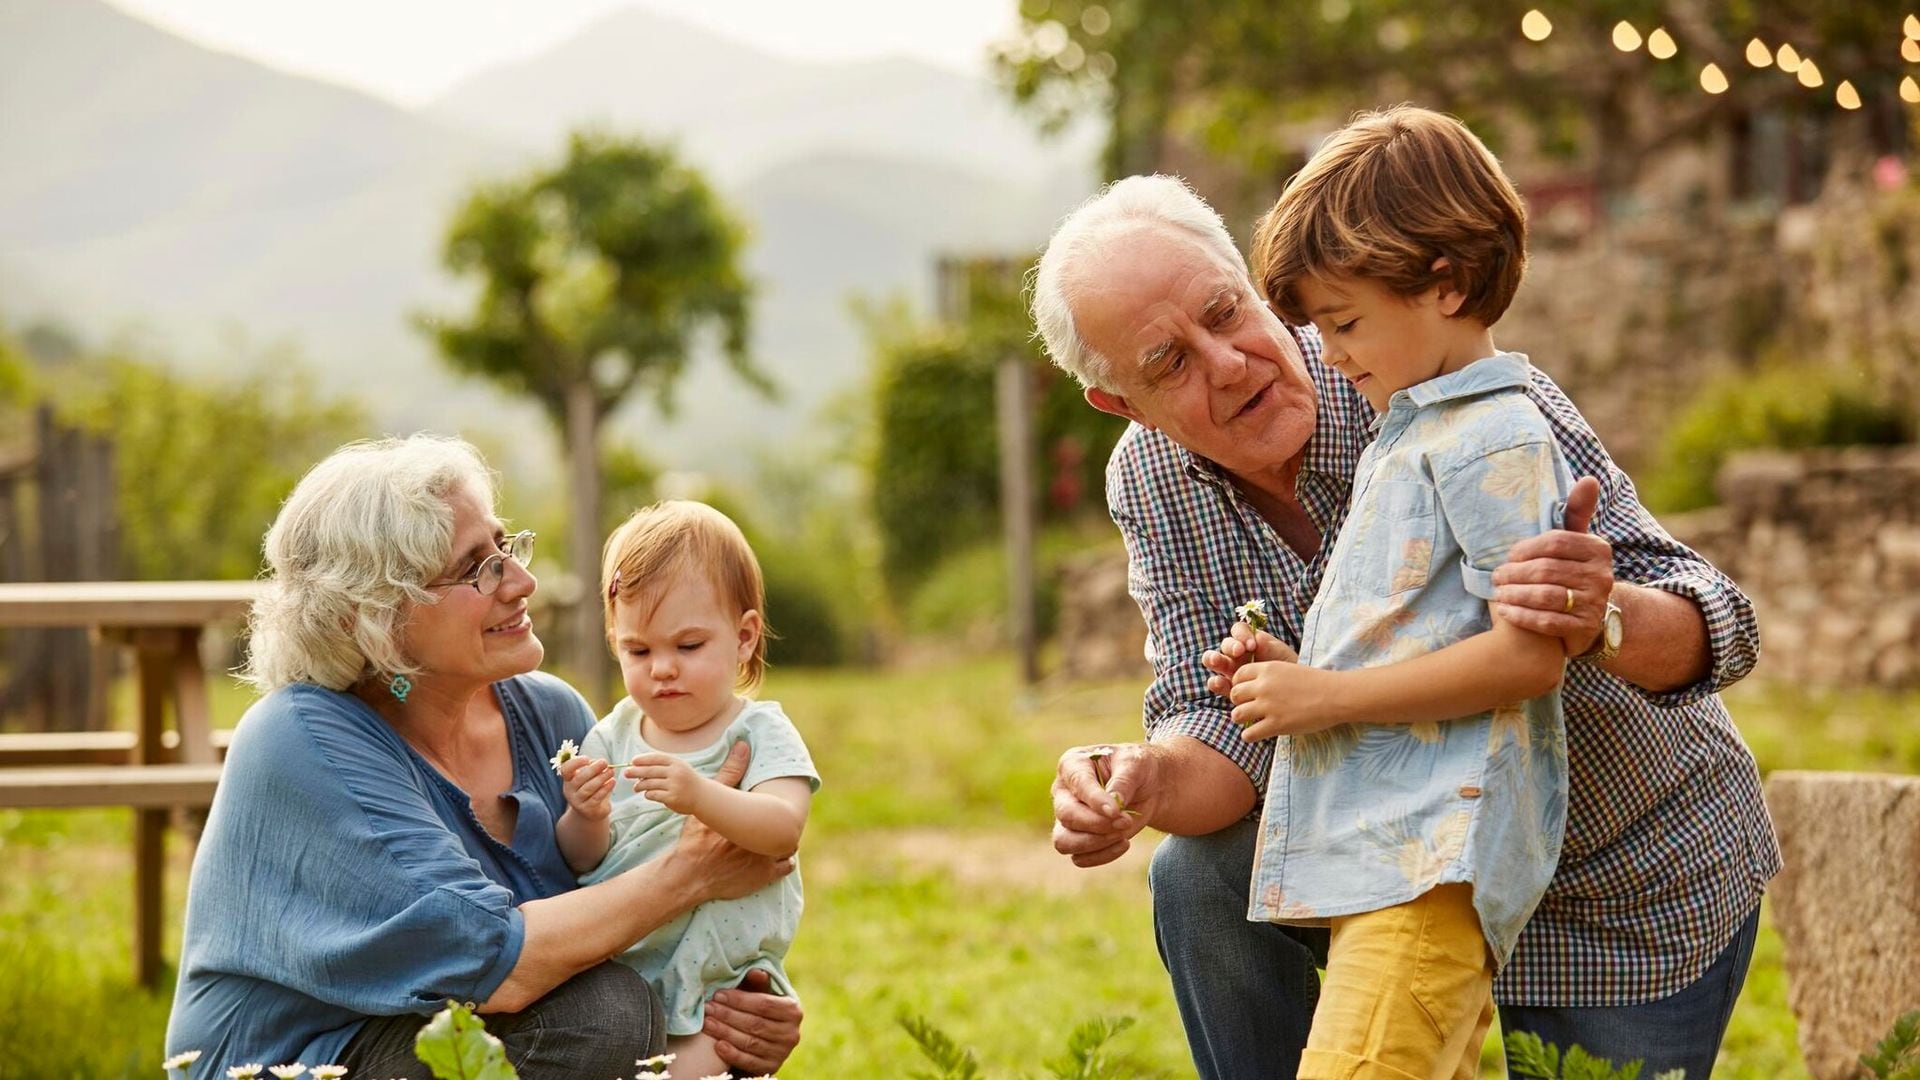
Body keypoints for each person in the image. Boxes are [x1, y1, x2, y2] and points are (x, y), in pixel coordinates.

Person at [1031, 165, 1778, 1078]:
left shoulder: (1438, 375)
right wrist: (1142, 778)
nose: (1227, 365)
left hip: (1614, 868)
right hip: (1396, 870)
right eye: (1169, 363)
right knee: (1198, 876)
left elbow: (1721, 625)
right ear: (1119, 403)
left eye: (1226, 314)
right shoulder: (1149, 478)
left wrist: (1600, 613)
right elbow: (1221, 725)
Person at [163, 435, 803, 1078]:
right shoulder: (301, 740)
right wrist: (693, 871)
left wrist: (736, 1011)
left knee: (617, 1014)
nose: (522, 581)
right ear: (376, 618)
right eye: (479, 567)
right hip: (311, 1057)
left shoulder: (552, 715)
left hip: (460, 1030)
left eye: (506, 547)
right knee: (601, 1017)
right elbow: (496, 963)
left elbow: (614, 908)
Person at [1222, 105, 1578, 1080]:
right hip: (1387, 857)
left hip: (1434, 859)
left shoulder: (1495, 437)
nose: (1328, 355)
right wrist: (1296, 677)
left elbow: (1529, 653)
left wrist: (1327, 700)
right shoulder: (1411, 432)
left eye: (1344, 322)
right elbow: (1419, 638)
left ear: (1447, 285)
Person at [556, 499, 818, 1080]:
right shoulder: (613, 733)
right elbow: (582, 858)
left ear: (744, 637)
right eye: (639, 650)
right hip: (625, 963)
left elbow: (782, 829)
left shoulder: (757, 731)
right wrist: (587, 813)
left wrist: (700, 795)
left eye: (688, 646)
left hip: (719, 980)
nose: (663, 669)